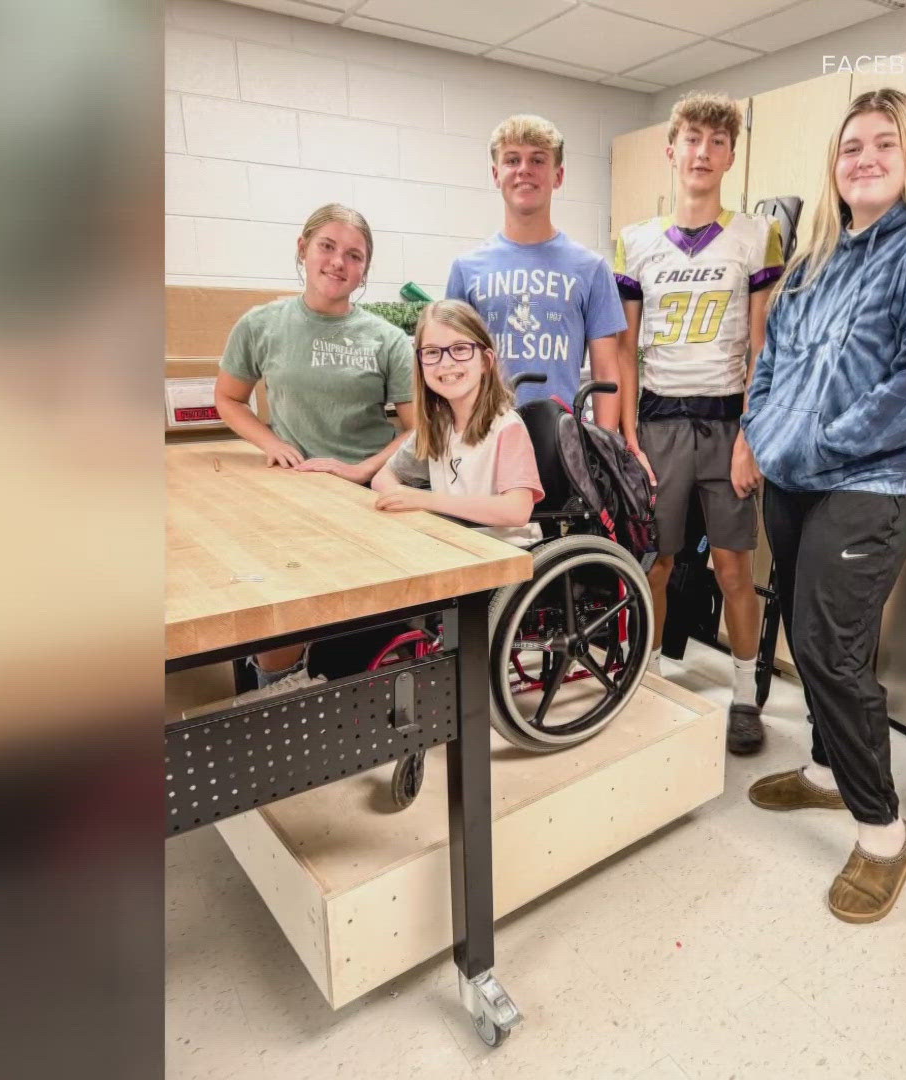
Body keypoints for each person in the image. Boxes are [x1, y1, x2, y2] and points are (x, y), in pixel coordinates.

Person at [741, 89, 906, 924]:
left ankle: (884, 830)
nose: (866, 157)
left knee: (827, 645)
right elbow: (770, 362)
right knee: (812, 636)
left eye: (886, 143)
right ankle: (821, 768)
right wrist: (765, 431)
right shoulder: (816, 258)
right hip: (794, 477)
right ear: (835, 164)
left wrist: (810, 446)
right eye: (851, 146)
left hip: (875, 482)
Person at [613, 92, 784, 755]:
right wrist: (628, 436)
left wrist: (752, 435)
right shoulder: (636, 241)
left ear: (731, 157)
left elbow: (762, 346)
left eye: (717, 143)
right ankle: (648, 678)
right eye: (692, 139)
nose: (703, 153)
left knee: (734, 569)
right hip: (658, 424)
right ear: (671, 150)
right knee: (656, 563)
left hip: (725, 425)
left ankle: (745, 695)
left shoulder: (755, 236)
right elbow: (624, 348)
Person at [213, 202, 416, 699]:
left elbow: (419, 429)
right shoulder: (262, 325)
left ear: (364, 270)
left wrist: (359, 470)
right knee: (279, 613)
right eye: (327, 247)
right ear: (304, 249)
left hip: (366, 495)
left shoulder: (387, 340)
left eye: (353, 255)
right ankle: (275, 699)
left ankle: (360, 700)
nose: (338, 263)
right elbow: (229, 398)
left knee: (361, 620)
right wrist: (272, 442)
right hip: (294, 492)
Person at [447, 115, 627, 433]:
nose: (524, 170)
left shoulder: (592, 269)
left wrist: (606, 449)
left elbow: (606, 370)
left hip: (561, 443)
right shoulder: (466, 269)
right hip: (487, 439)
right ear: (495, 174)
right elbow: (454, 366)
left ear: (558, 176)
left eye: (538, 160)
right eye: (512, 160)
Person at [371, 300, 542, 548]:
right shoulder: (437, 425)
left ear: (486, 361)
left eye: (460, 349)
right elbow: (383, 478)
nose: (446, 362)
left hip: (506, 554)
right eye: (432, 352)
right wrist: (401, 498)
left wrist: (425, 500)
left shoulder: (507, 427)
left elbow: (516, 511)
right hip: (454, 546)